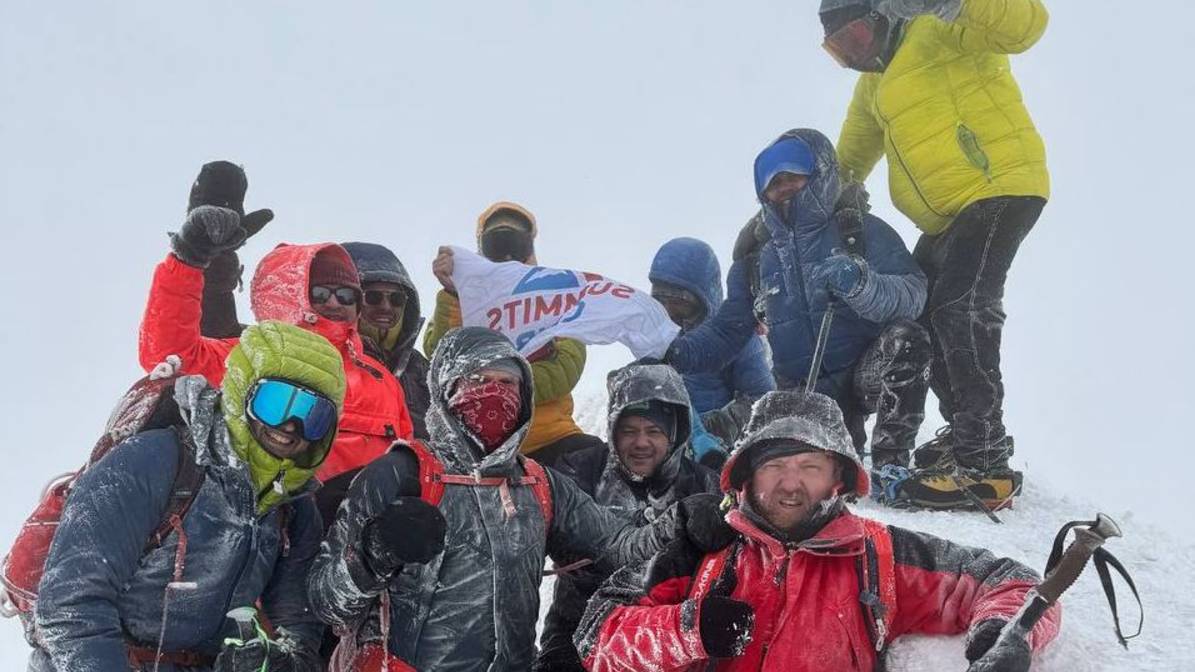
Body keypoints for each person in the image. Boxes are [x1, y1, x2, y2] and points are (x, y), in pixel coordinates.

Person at [308, 327, 728, 671]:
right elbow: (326, 603)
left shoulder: (538, 484)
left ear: (525, 395)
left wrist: (679, 520)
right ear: (447, 389)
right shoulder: (400, 474)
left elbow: (618, 545)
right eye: (478, 381)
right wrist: (374, 553)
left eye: (507, 382)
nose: (494, 394)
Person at [574, 390, 1061, 672]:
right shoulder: (704, 549)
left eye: (810, 467)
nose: (791, 485)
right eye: (774, 466)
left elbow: (1011, 581)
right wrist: (689, 629)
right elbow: (596, 638)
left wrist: (1006, 633)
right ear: (746, 476)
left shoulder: (883, 557)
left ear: (838, 478)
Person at [820, 0, 1050, 507]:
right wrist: (798, 208)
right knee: (922, 316)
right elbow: (847, 159)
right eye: (841, 50)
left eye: (857, 37)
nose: (857, 55)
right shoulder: (873, 87)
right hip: (948, 217)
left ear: (882, 16)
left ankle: (983, 457)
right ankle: (966, 433)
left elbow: (1026, 26)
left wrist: (950, 4)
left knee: (960, 309)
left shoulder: (939, 29)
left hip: (999, 184)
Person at [31, 321, 343, 672]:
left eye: (313, 415)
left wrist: (276, 662)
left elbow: (298, 626)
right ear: (242, 392)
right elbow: (69, 605)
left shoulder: (293, 508)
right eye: (276, 403)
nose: (290, 425)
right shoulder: (153, 462)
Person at [669, 129, 931, 494]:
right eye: (773, 183)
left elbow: (913, 293)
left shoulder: (860, 232)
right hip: (801, 391)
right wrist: (673, 352)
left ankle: (891, 466)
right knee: (825, 473)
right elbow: (727, 331)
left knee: (907, 340)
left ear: (820, 174)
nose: (784, 187)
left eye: (794, 176)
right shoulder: (755, 260)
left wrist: (861, 284)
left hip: (863, 372)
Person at [138, 203, 413, 523]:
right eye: (321, 293)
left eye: (347, 295)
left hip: (365, 534)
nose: (335, 302)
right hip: (277, 526)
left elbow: (406, 456)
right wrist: (188, 260)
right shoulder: (250, 356)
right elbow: (169, 352)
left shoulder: (381, 378)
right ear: (289, 295)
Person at [535, 363, 720, 672]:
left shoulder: (704, 486)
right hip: (575, 629)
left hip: (668, 637)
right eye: (629, 431)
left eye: (654, 431)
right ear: (612, 431)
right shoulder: (578, 473)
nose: (641, 442)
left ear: (674, 435)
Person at [424, 201, 604, 465]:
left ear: (530, 250)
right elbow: (439, 358)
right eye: (496, 245)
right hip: (478, 443)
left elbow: (565, 371)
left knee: (596, 458)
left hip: (551, 439)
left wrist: (495, 385)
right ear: (481, 251)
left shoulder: (557, 301)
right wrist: (454, 292)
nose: (507, 256)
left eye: (516, 244)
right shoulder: (462, 299)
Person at [650, 237, 775, 446]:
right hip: (667, 450)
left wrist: (714, 426)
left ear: (703, 298)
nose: (670, 312)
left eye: (680, 303)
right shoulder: (657, 342)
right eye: (661, 302)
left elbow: (762, 399)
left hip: (719, 452)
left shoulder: (735, 339)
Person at [342, 242, 431, 440]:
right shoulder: (328, 357)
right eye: (373, 297)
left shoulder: (422, 370)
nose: (386, 306)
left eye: (396, 299)